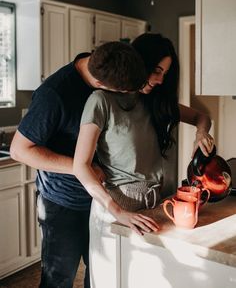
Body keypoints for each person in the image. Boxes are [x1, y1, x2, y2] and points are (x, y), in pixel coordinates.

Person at [10, 41, 159, 288]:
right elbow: (19, 150)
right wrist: (81, 166)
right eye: (121, 92)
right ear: (101, 86)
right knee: (59, 278)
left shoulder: (109, 66)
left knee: (100, 273)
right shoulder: (54, 95)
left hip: (102, 199)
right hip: (63, 202)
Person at [72, 33, 215, 288]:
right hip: (116, 212)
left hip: (159, 206)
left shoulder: (157, 103)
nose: (160, 80)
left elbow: (202, 117)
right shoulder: (102, 101)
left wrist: (201, 134)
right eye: (156, 70)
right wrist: (119, 212)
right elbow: (79, 166)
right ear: (140, 63)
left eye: (165, 74)